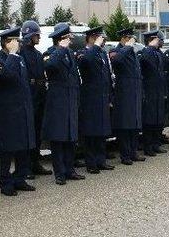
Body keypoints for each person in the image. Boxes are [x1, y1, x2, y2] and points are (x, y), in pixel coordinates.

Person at [0, 27, 36, 196]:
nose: (19, 44)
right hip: (7, 113)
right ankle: (6, 182)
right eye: (15, 41)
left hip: (22, 110)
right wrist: (13, 55)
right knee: (7, 150)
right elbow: (6, 76)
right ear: (7, 43)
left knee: (23, 147)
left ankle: (19, 178)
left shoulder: (19, 59)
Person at [42, 23, 84, 185]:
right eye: (68, 36)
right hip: (57, 102)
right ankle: (59, 173)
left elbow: (74, 77)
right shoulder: (50, 53)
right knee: (58, 139)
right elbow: (50, 66)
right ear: (62, 38)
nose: (71, 39)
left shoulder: (70, 53)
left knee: (70, 138)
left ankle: (70, 169)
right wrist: (60, 48)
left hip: (70, 100)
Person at [77, 27, 114, 174]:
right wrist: (96, 46)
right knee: (91, 132)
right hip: (90, 99)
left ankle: (101, 160)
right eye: (100, 38)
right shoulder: (83, 53)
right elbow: (86, 61)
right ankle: (91, 163)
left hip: (102, 97)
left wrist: (110, 96)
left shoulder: (102, 54)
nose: (103, 41)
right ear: (92, 38)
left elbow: (107, 77)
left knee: (101, 131)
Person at [19, 20, 52, 177]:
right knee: (27, 133)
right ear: (29, 36)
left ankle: (35, 162)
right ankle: (25, 166)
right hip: (29, 96)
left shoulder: (38, 54)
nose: (38, 37)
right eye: (36, 35)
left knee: (37, 131)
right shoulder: (21, 53)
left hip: (39, 95)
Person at [110, 28, 144, 165]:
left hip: (134, 92)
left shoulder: (132, 51)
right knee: (125, 125)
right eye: (130, 38)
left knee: (134, 124)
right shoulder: (116, 50)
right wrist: (128, 46)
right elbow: (117, 61)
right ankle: (125, 155)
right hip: (123, 93)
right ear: (124, 38)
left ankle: (133, 152)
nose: (133, 41)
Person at [139, 30, 168, 156]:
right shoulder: (145, 52)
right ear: (152, 39)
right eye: (159, 40)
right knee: (149, 120)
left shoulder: (158, 53)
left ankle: (156, 144)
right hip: (149, 91)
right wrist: (150, 47)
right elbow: (144, 64)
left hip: (158, 91)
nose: (161, 42)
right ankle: (148, 146)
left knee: (158, 119)